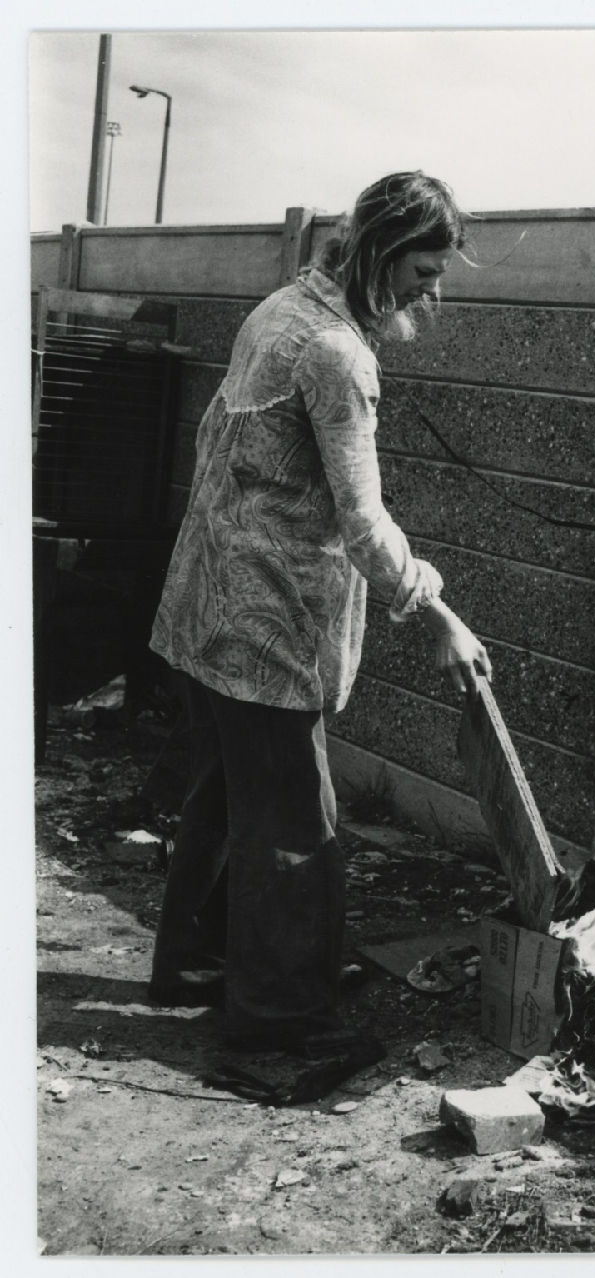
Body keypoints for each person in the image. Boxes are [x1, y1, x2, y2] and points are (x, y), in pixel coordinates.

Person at [146, 171, 491, 1055]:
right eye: (423, 274)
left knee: (223, 800)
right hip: (267, 630)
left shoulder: (278, 310)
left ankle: (195, 964)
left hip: (208, 607)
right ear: (379, 253)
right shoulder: (337, 354)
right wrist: (440, 612)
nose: (433, 294)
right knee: (298, 826)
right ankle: (280, 1018)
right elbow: (365, 525)